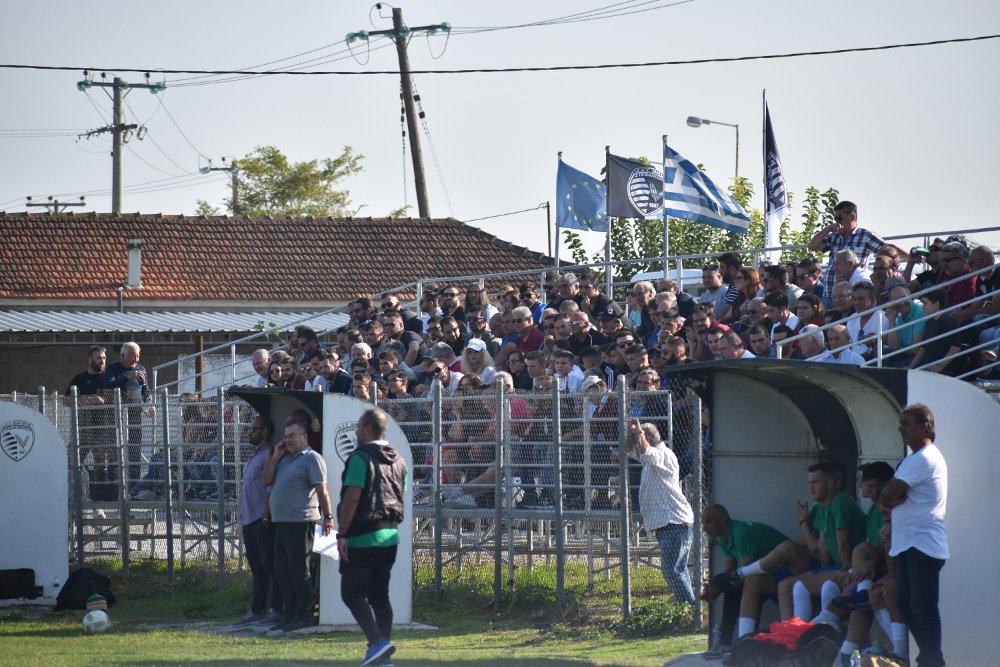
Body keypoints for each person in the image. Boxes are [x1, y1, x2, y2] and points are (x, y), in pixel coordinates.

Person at [337, 408, 407, 666]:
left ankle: (377, 643)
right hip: (390, 537)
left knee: (351, 593)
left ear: (367, 429)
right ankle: (382, 654)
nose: (356, 433)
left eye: (358, 428)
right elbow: (401, 491)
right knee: (379, 595)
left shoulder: (360, 458)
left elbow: (353, 497)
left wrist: (342, 534)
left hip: (362, 535)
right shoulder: (399, 460)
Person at [881, 404, 948, 667]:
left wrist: (893, 496)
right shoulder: (912, 459)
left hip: (923, 545)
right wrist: (893, 495)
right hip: (908, 544)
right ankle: (931, 659)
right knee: (905, 606)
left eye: (906, 423)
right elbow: (888, 497)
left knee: (922, 608)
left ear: (924, 427)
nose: (900, 428)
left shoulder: (924, 458)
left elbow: (888, 495)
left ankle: (932, 661)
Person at [262, 420, 333, 634]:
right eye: (286, 436)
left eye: (292, 435)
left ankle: (303, 615)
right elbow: (266, 481)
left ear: (304, 437)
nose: (287, 440)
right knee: (282, 570)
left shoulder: (312, 458)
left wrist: (328, 516)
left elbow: (322, 490)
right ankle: (289, 613)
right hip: (281, 523)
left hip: (301, 523)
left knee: (299, 571)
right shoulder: (285, 460)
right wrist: (274, 459)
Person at [701, 504, 790, 658]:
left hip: (788, 576)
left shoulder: (741, 533)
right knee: (733, 587)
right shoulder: (723, 538)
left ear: (722, 520)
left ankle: (741, 642)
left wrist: (717, 584)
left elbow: (743, 574)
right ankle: (728, 642)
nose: (704, 527)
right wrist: (718, 586)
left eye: (708, 521)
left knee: (746, 586)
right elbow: (731, 572)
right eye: (703, 523)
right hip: (766, 576)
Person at [624, 419, 695, 604]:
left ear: (646, 437)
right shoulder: (649, 459)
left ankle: (688, 607)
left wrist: (638, 431)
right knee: (677, 569)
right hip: (667, 523)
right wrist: (630, 433)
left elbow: (646, 451)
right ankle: (688, 606)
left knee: (672, 570)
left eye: (639, 438)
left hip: (675, 521)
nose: (636, 442)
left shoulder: (663, 455)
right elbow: (628, 451)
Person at [231, 415, 283, 628]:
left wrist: (265, 515)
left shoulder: (269, 454)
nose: (249, 432)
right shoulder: (255, 455)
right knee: (257, 568)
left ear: (265, 432)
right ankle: (256, 609)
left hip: (261, 519)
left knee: (270, 567)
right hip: (248, 518)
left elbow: (269, 487)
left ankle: (275, 609)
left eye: (254, 429)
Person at [66, 345, 115, 500]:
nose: (101, 361)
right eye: (98, 357)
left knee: (102, 465)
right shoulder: (80, 379)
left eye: (104, 358)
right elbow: (66, 401)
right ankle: (73, 496)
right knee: (74, 463)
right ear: (90, 359)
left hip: (102, 430)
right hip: (83, 429)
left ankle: (99, 497)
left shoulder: (109, 378)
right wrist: (89, 400)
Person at [807, 200, 885, 295]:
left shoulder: (866, 235)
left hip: (851, 294)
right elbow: (812, 246)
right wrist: (827, 229)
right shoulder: (834, 235)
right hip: (829, 292)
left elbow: (887, 250)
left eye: (839, 218)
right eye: (835, 219)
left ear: (852, 217)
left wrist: (907, 258)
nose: (837, 222)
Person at [104, 342, 153, 491]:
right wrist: (128, 377)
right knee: (115, 448)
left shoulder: (141, 369)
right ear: (123, 355)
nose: (136, 359)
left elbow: (146, 390)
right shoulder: (113, 368)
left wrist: (150, 404)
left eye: (138, 356)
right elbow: (108, 384)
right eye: (132, 356)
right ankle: (115, 487)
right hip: (115, 414)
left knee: (134, 449)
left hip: (134, 413)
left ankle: (133, 487)